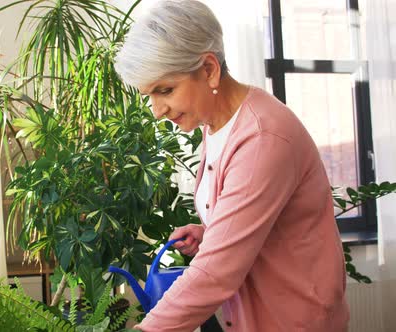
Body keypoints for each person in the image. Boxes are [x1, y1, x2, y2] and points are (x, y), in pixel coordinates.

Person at [113, 1, 350, 331]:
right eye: (148, 95)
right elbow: (259, 213)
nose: (156, 110)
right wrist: (211, 231)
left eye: (165, 90)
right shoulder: (217, 124)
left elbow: (215, 273)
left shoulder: (262, 137)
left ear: (209, 69)